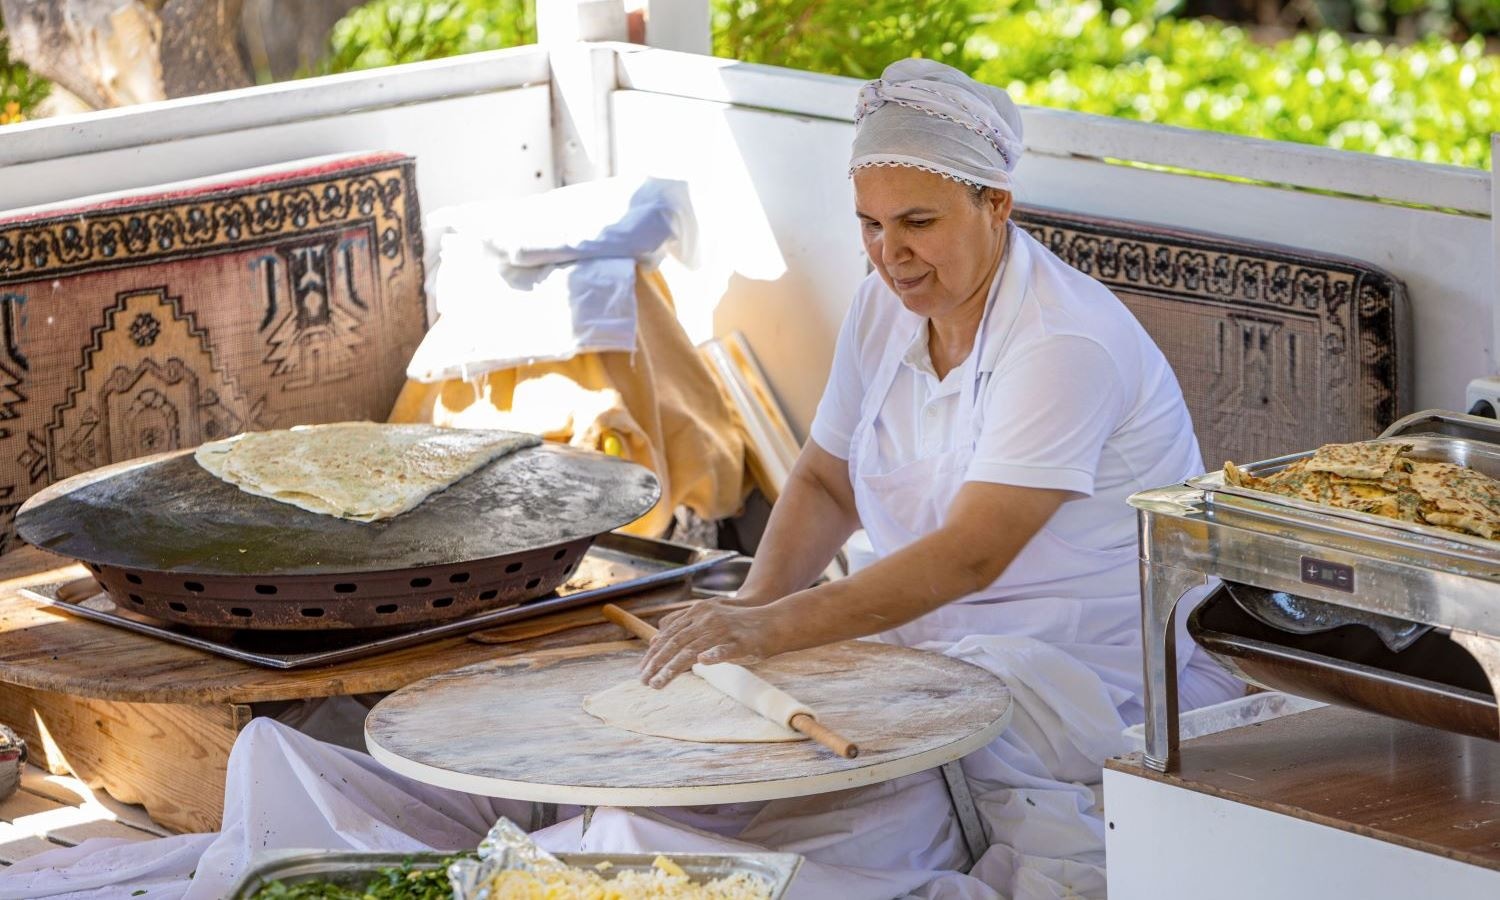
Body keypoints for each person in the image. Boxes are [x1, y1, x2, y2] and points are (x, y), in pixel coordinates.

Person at [0, 59, 1240, 900]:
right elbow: (821, 481)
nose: (888, 255)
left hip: (1062, 676)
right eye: (868, 225)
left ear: (995, 204)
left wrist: (766, 627)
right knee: (644, 751)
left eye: (915, 224)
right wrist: (744, 632)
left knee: (784, 833)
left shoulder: (1061, 341)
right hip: (911, 640)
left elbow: (971, 557)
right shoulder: (884, 304)